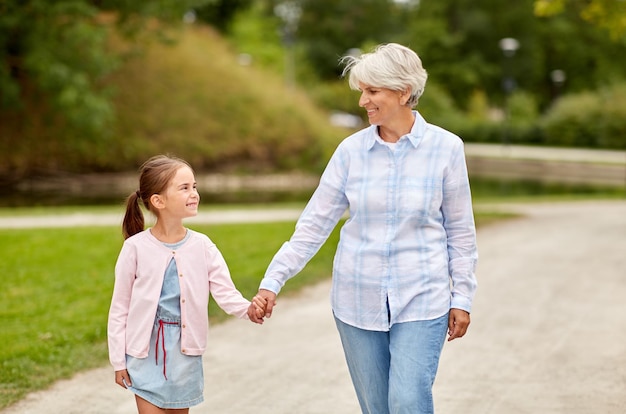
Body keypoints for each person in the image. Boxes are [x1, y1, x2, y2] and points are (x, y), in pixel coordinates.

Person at [248, 43, 478, 414]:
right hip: (357, 298)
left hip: (423, 295)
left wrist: (462, 298)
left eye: (372, 92)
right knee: (377, 407)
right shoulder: (350, 152)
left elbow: (461, 233)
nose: (363, 102)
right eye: (362, 92)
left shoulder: (446, 148)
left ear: (404, 92)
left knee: (407, 400)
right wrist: (273, 281)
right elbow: (313, 225)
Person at [107, 155, 265, 413]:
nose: (194, 194)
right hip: (143, 354)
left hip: (186, 354)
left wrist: (249, 309)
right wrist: (118, 361)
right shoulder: (134, 248)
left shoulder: (203, 246)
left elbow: (226, 292)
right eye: (184, 188)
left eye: (194, 186)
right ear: (158, 201)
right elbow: (119, 309)